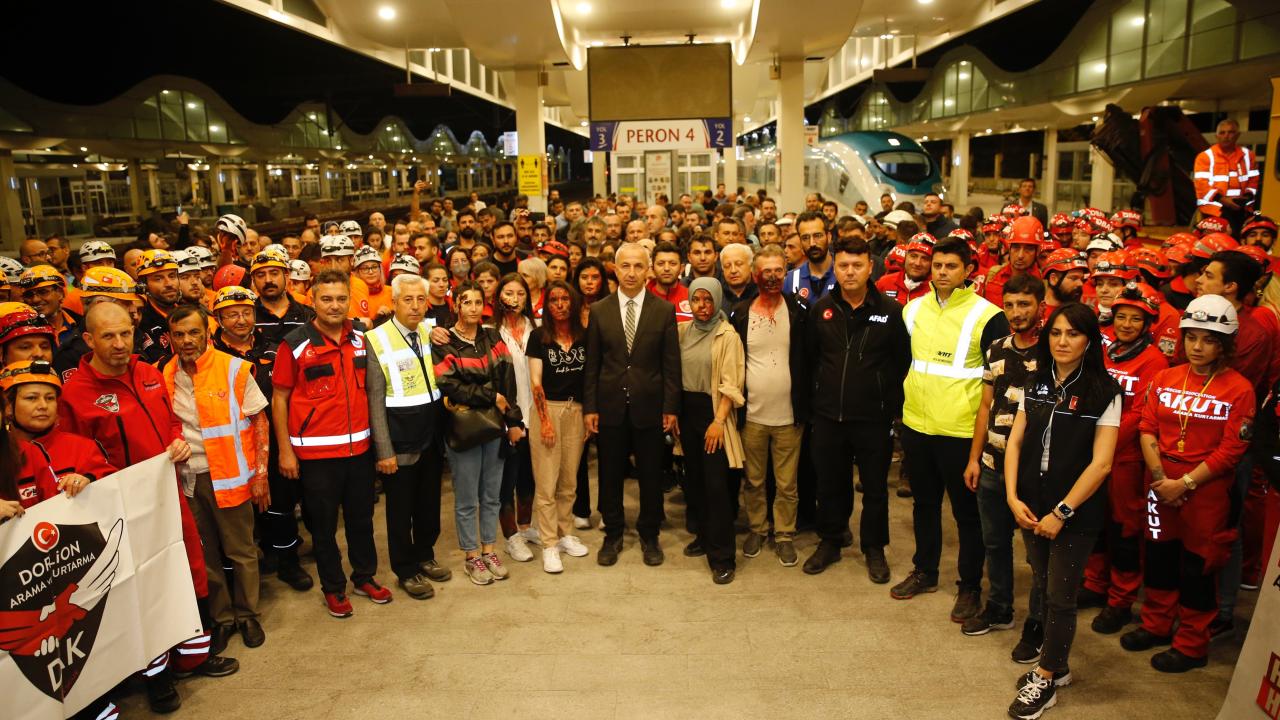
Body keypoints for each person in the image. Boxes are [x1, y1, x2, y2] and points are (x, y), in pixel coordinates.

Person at [57, 301, 239, 711]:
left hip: (167, 497)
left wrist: (176, 440)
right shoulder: (75, 394)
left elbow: (170, 421)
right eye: (108, 336)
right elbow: (72, 454)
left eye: (126, 333)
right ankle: (156, 677)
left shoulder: (149, 373)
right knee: (141, 590)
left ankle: (194, 656)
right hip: (118, 514)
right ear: (88, 340)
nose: (120, 343)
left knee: (187, 572)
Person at [1121, 294, 1256, 673]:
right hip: (1160, 483)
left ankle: (1192, 645)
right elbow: (1147, 428)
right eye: (1192, 337)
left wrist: (1184, 484)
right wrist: (1162, 479)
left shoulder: (1239, 389)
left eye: (1209, 340)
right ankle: (1156, 625)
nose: (1197, 347)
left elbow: (1232, 450)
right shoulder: (1165, 377)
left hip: (1207, 491)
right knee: (1159, 558)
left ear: (1225, 344)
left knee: (1199, 568)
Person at [1003, 304, 1121, 719]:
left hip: (1074, 513)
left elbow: (1102, 464)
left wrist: (1063, 512)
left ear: (1089, 340)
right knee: (1043, 585)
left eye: (1073, 334)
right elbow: (1015, 442)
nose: (1062, 341)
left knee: (1060, 596)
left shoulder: (1105, 391)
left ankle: (1047, 677)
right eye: (1056, 333)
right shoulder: (1034, 381)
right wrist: (1012, 496)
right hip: (1030, 505)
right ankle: (1059, 665)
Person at [894, 237, 1010, 623]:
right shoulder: (913, 309)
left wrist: (984, 444)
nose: (942, 272)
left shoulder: (988, 316)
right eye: (938, 265)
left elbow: (999, 383)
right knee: (924, 505)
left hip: (961, 432)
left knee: (967, 515)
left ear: (968, 271)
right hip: (917, 425)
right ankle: (925, 571)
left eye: (951, 266)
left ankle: (970, 586)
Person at [272, 270, 392, 619]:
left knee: (362, 521)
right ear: (313, 301)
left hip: (359, 452)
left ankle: (364, 577)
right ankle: (333, 588)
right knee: (323, 528)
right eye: (326, 299)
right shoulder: (295, 344)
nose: (335, 305)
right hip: (316, 456)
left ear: (349, 301)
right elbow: (279, 399)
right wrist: (285, 451)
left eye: (341, 299)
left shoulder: (361, 337)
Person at [802, 237, 911, 580]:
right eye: (844, 265)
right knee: (830, 485)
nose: (850, 272)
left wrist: (887, 403)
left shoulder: (890, 311)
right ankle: (831, 541)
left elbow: (901, 362)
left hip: (872, 418)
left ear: (870, 267)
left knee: (875, 488)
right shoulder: (822, 309)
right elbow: (811, 359)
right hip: (828, 416)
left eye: (857, 265)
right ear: (835, 268)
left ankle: (874, 548)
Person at [163, 304, 271, 651]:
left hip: (230, 478)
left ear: (207, 333)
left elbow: (259, 421)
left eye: (194, 332)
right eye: (179, 334)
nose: (187, 340)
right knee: (206, 554)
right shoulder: (163, 374)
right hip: (188, 480)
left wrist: (261, 474)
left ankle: (248, 614)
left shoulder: (233, 368)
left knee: (242, 552)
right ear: (170, 338)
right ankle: (222, 618)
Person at [1077, 283, 1169, 635]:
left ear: (1147, 323)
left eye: (1135, 319)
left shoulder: (1155, 360)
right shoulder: (1103, 349)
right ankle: (1095, 584)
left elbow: (1141, 414)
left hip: (1126, 458)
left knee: (1124, 531)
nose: (1127, 324)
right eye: (1121, 317)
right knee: (1094, 521)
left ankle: (1120, 600)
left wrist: (1101, 438)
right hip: (1093, 450)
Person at [584, 243, 682, 567]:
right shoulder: (600, 310)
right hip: (609, 406)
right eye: (625, 266)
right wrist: (590, 408)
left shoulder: (663, 310)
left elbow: (671, 364)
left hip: (650, 407)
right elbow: (592, 364)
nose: (631, 272)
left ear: (648, 270)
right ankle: (612, 533)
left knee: (651, 474)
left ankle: (649, 533)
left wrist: (671, 407)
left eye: (638, 266)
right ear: (615, 269)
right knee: (610, 473)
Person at [962, 274, 1046, 641]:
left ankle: (1039, 623)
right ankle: (999, 609)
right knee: (994, 544)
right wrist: (974, 458)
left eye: (1024, 304)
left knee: (1038, 554)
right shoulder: (996, 347)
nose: (1016, 312)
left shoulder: (1053, 352)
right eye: (1009, 305)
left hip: (1034, 471)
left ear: (1041, 306)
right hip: (992, 464)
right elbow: (986, 406)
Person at [432, 281, 524, 584]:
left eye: (477, 302)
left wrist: (513, 420)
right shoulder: (444, 342)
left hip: (495, 427)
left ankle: (489, 550)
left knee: (492, 495)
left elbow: (507, 380)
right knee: (467, 498)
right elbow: (449, 384)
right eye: (466, 302)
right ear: (456, 305)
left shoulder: (492, 336)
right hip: (464, 430)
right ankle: (471, 556)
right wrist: (490, 396)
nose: (472, 308)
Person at [366, 272, 451, 599]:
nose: (415, 306)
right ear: (394, 302)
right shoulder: (376, 339)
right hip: (399, 439)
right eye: (407, 300)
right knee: (400, 510)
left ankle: (425, 554)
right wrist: (383, 450)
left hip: (431, 435)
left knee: (429, 504)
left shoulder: (430, 331)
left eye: (420, 300)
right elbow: (375, 400)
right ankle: (405, 569)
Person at [731, 245, 808, 566]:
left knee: (788, 483)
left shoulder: (799, 311)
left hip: (790, 415)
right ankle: (758, 528)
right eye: (766, 271)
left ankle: (785, 534)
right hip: (752, 415)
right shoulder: (741, 313)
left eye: (778, 271)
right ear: (755, 275)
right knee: (754, 480)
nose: (773, 277)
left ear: (786, 273)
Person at [674, 277, 745, 584]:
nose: (702, 306)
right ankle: (704, 537)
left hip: (713, 412)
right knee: (695, 483)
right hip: (686, 412)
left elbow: (732, 382)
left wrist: (718, 421)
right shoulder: (682, 332)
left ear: (717, 301)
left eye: (708, 300)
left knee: (716, 487)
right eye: (696, 300)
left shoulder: (727, 335)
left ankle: (723, 557)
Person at [527, 280, 591, 573]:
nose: (560, 304)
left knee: (569, 481)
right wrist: (545, 422)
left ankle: (565, 534)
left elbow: (590, 379)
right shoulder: (538, 337)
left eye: (565, 299)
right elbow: (535, 382)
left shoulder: (583, 336)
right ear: (547, 305)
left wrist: (588, 414)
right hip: (548, 409)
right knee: (546, 483)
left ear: (573, 303)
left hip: (575, 409)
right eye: (554, 300)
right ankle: (549, 544)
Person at [493, 274, 540, 562]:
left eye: (520, 293)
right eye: (509, 293)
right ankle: (511, 537)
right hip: (507, 417)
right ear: (499, 297)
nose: (515, 299)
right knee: (506, 480)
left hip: (536, 413)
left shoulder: (538, 328)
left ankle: (525, 527)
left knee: (529, 477)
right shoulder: (491, 332)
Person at [1193, 118, 1259, 234]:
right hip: (1214, 210)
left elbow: (1253, 180)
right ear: (1216, 136)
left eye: (1231, 132)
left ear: (1238, 135)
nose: (1226, 136)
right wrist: (1222, 199)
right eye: (1222, 133)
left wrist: (1247, 197)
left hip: (1241, 209)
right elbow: (1201, 185)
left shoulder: (1248, 156)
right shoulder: (1205, 157)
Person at [134, 249, 182, 364]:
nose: (169, 284)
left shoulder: (192, 313)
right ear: (144, 285)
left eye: (172, 276)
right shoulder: (141, 322)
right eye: (158, 279)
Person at [984, 217, 1043, 306]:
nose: (1020, 255)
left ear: (1037, 251)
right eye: (1016, 247)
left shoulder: (1043, 282)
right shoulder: (993, 274)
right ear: (1009, 248)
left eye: (1028, 249)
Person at [784, 212, 836, 308]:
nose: (812, 243)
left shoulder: (844, 273)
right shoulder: (792, 279)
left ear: (829, 237)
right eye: (805, 238)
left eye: (818, 235)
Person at [876, 233, 934, 305]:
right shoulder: (884, 283)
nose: (917, 263)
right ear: (906, 256)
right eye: (913, 256)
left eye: (925, 258)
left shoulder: (937, 290)